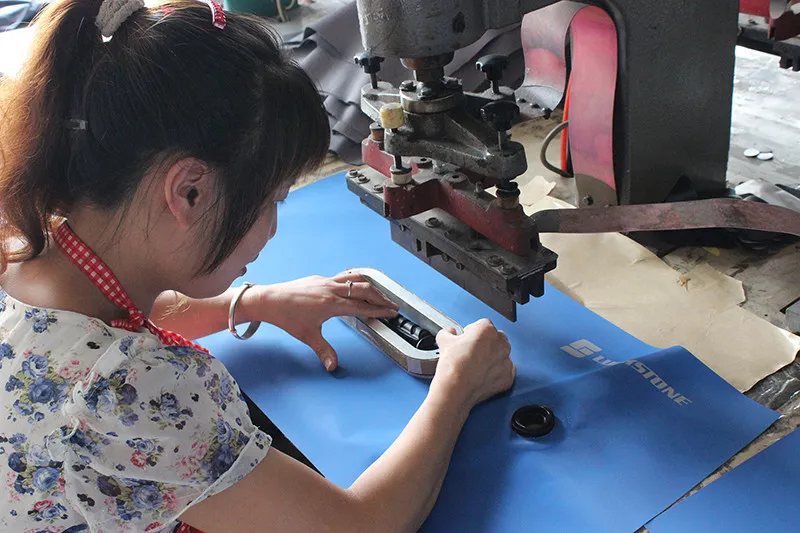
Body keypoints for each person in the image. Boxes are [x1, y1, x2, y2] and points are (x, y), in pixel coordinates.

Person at [0, 0, 516, 531]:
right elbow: (359, 526)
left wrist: (252, 303)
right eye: (272, 199)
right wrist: (458, 385)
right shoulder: (127, 392)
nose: (272, 228)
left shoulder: (24, 243)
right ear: (190, 191)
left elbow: (91, 332)